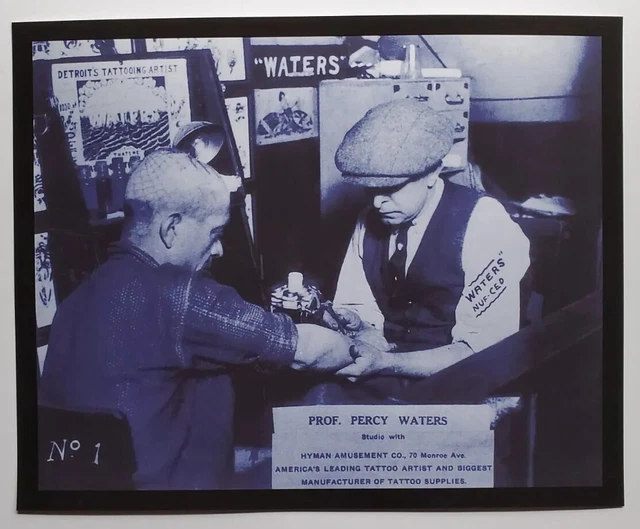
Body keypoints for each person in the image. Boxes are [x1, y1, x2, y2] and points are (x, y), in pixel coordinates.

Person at [38, 149, 371, 490]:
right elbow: (311, 351)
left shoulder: (76, 301)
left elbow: (145, 421)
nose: (219, 250)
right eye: (214, 233)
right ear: (171, 228)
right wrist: (372, 350)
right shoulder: (178, 296)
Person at [327, 98, 531, 384]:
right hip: (384, 371)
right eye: (369, 189)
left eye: (391, 186)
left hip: (461, 378)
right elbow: (364, 315)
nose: (377, 201)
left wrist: (386, 363)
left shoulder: (484, 223)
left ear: (433, 172)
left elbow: (482, 351)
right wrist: (357, 324)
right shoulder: (369, 220)